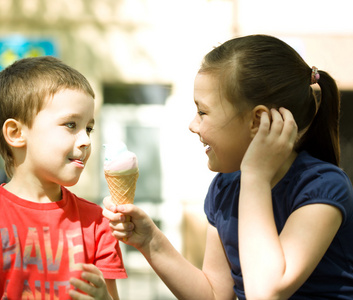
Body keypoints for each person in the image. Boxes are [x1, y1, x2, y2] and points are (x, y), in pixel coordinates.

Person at [103, 34, 353, 299]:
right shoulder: (226, 185)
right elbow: (214, 294)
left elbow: (265, 292)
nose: (193, 125)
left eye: (203, 112)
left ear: (258, 120)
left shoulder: (322, 186)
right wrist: (150, 240)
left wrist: (255, 177)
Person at [0, 56, 127, 300]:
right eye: (71, 124)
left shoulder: (97, 223)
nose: (86, 140)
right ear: (16, 133)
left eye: (89, 128)